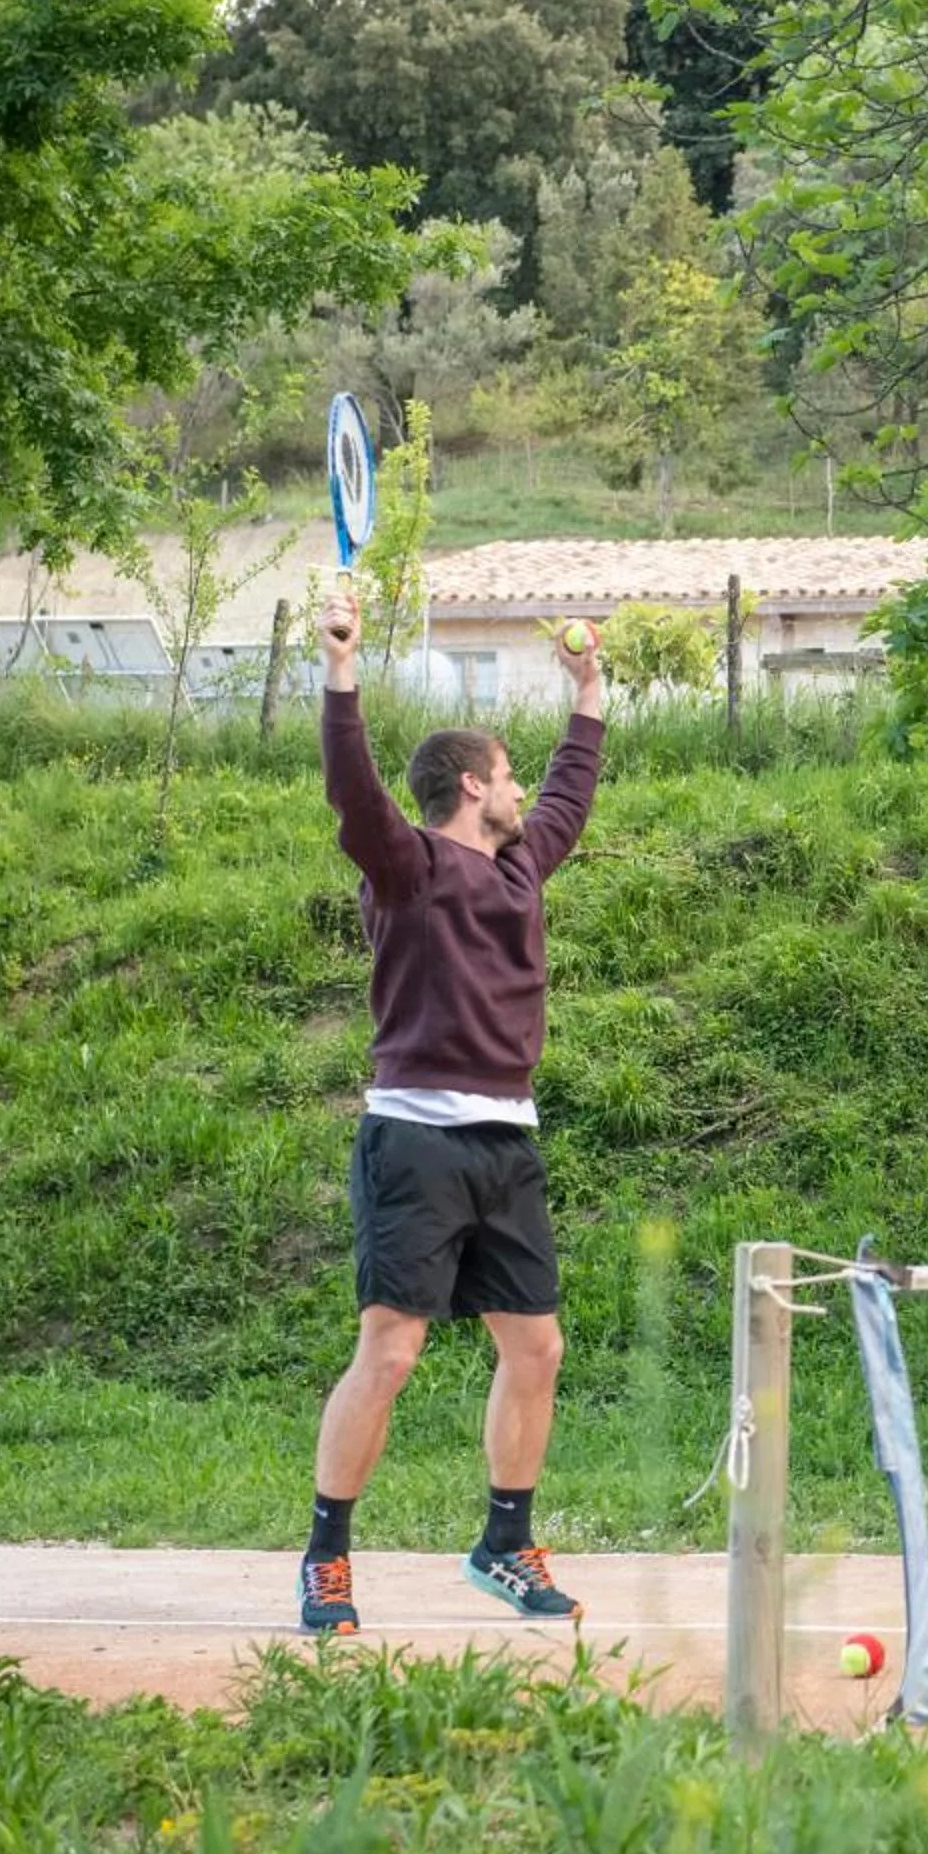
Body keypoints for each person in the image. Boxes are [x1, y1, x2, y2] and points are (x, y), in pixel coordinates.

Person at [297, 591, 605, 1634]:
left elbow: (569, 795)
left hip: (505, 1139)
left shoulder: (520, 865)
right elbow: (353, 794)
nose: (523, 788)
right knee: (390, 1350)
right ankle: (328, 1556)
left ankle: (505, 1542)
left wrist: (590, 697)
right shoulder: (408, 866)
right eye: (508, 771)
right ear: (472, 783)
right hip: (416, 1139)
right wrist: (342, 673)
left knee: (538, 1348)